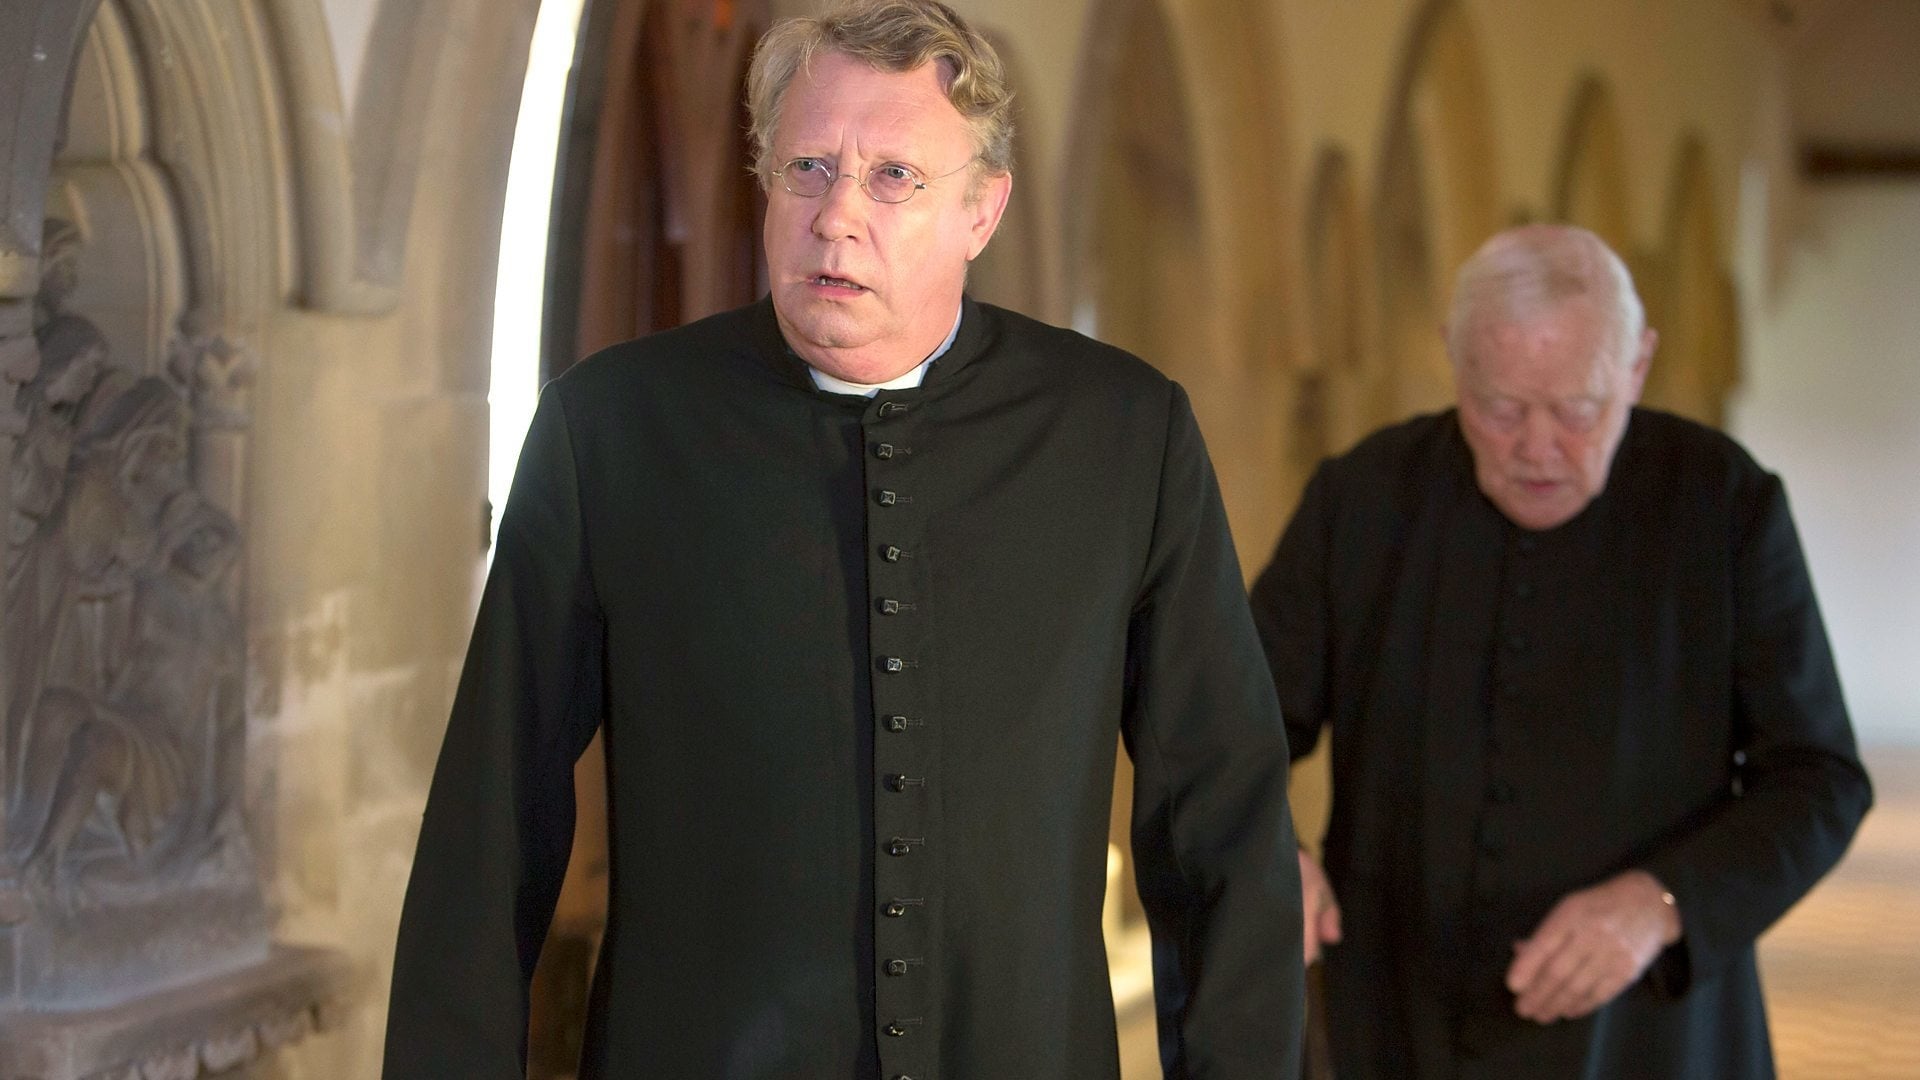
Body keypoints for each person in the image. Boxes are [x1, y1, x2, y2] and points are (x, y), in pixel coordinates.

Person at [383, 2, 1305, 1077]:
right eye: (808, 169)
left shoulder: (1125, 436)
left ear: (983, 210)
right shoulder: (611, 431)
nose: (836, 217)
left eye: (894, 177)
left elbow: (1222, 827)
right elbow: (488, 836)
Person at [1250, 223, 1872, 1078]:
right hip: (1398, 1018)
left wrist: (1663, 902)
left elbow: (1820, 778)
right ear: (1453, 359)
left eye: (1579, 410)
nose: (1538, 448)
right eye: (1501, 409)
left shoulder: (1726, 504)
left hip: (1648, 1034)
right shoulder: (1360, 497)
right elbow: (1233, 725)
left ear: (1637, 366)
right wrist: (1269, 854)